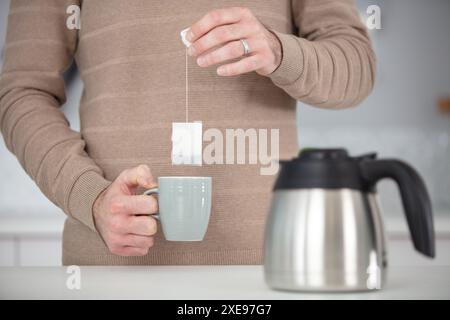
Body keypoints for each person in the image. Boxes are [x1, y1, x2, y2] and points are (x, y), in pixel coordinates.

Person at [0, 0, 375, 265]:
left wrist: (280, 51)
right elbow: (20, 92)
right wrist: (91, 197)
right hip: (113, 275)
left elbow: (357, 69)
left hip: (268, 271)